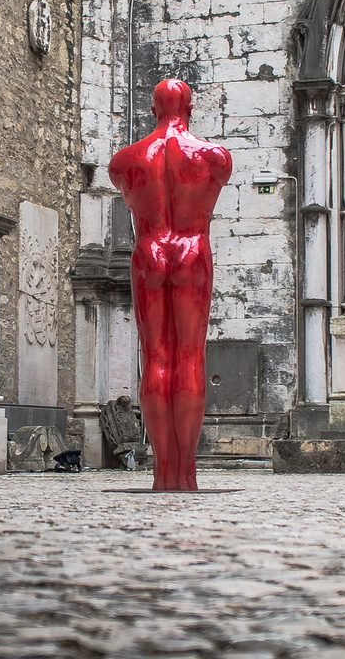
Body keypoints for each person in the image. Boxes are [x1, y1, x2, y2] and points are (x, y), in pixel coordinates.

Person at [108, 79, 232, 491]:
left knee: (156, 357)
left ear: (152, 108)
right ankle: (187, 474)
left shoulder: (125, 161)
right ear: (190, 106)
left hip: (149, 250)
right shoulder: (215, 158)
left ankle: (163, 473)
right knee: (190, 356)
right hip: (193, 250)